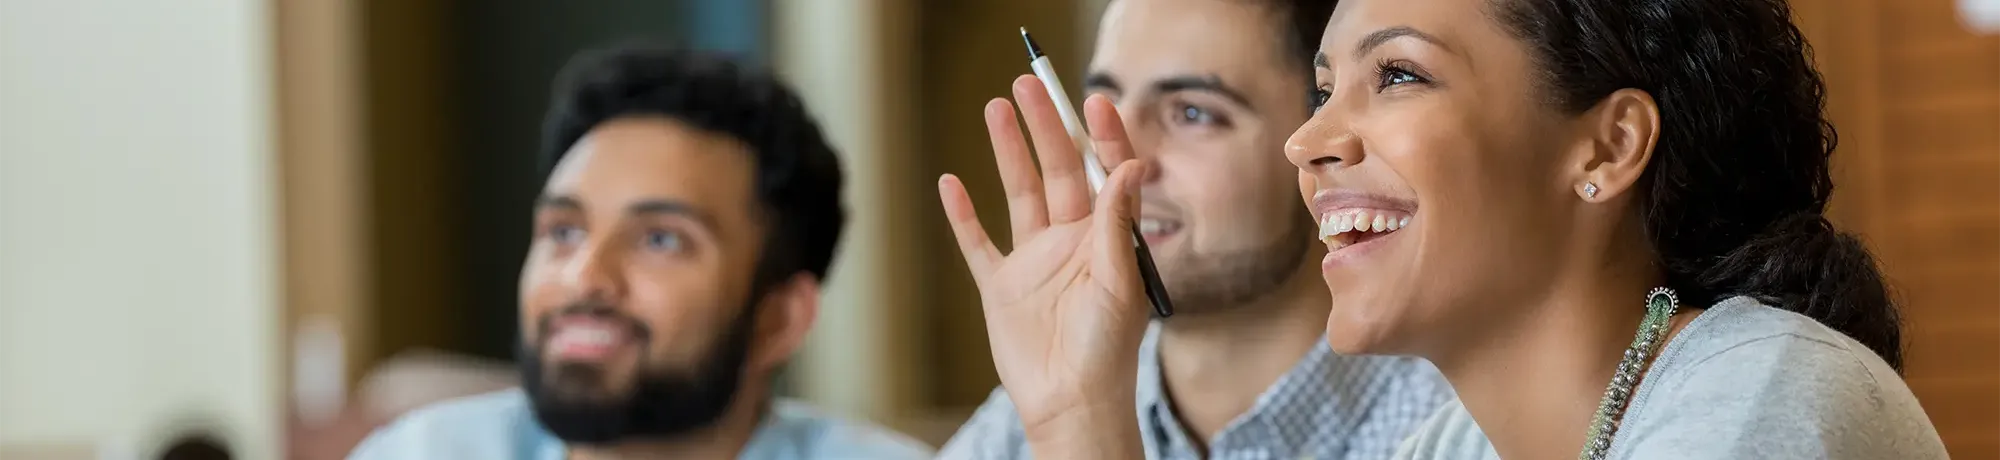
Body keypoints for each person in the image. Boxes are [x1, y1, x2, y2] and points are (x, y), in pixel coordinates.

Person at [935, 0, 1952, 458]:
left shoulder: (1764, 401)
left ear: (1604, 148)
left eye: (1398, 75)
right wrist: (1076, 415)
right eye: (1324, 87)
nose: (1308, 142)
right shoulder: (1454, 443)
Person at [348, 44, 933, 460]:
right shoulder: (425, 451)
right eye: (564, 232)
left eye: (660, 239)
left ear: (778, 318)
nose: (585, 276)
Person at [939, 0, 1451, 458]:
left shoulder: (1453, 429)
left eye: (1192, 113)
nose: (1121, 160)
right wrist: (1074, 420)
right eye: (1105, 108)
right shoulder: (1032, 416)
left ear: (1316, 144)